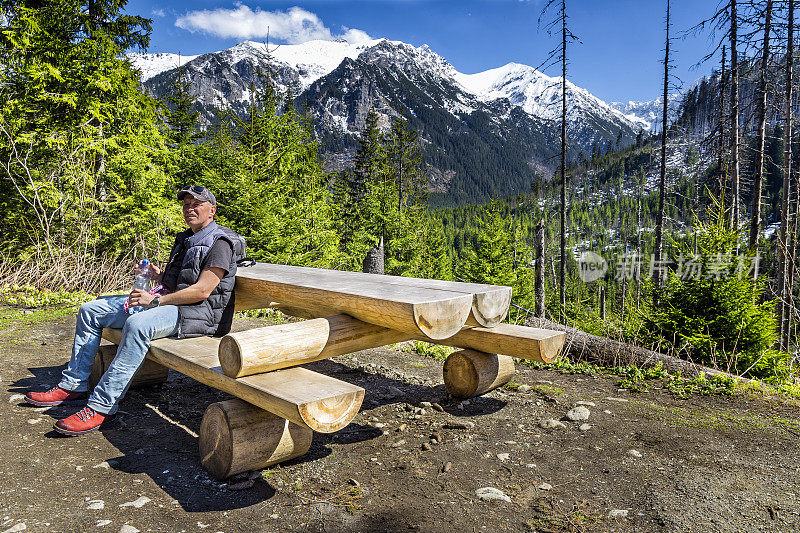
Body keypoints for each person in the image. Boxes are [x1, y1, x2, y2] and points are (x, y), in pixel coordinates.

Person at [25, 185, 238, 436]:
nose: (189, 209)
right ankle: (74, 385)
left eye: (196, 204)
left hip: (196, 314)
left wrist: (155, 301)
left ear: (211, 210)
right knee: (90, 310)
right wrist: (157, 275)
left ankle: (102, 406)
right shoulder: (186, 239)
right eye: (186, 205)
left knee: (138, 325)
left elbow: (202, 291)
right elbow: (178, 281)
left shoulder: (221, 242)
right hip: (169, 303)